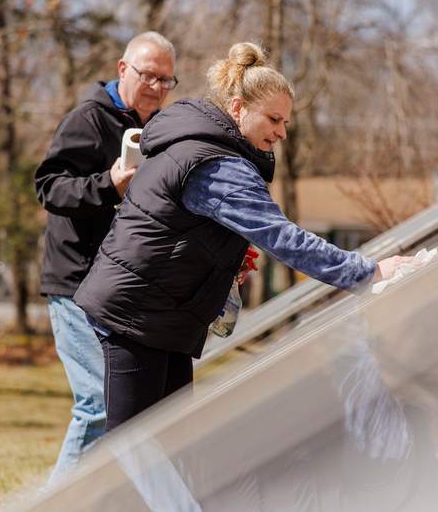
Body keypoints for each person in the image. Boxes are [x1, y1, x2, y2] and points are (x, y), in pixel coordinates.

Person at [73, 42, 417, 431]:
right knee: (135, 449)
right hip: (134, 313)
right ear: (237, 109)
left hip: (160, 318)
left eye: (286, 122)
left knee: (169, 442)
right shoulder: (215, 163)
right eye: (273, 119)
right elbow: (283, 237)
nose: (281, 133)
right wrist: (368, 272)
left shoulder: (204, 148)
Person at [34, 31, 178, 482]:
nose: (156, 87)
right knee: (98, 404)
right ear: (123, 70)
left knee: (122, 407)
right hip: (74, 283)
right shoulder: (89, 120)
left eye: (167, 80)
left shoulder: (154, 130)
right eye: (148, 75)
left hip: (116, 288)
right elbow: (48, 187)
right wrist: (106, 185)